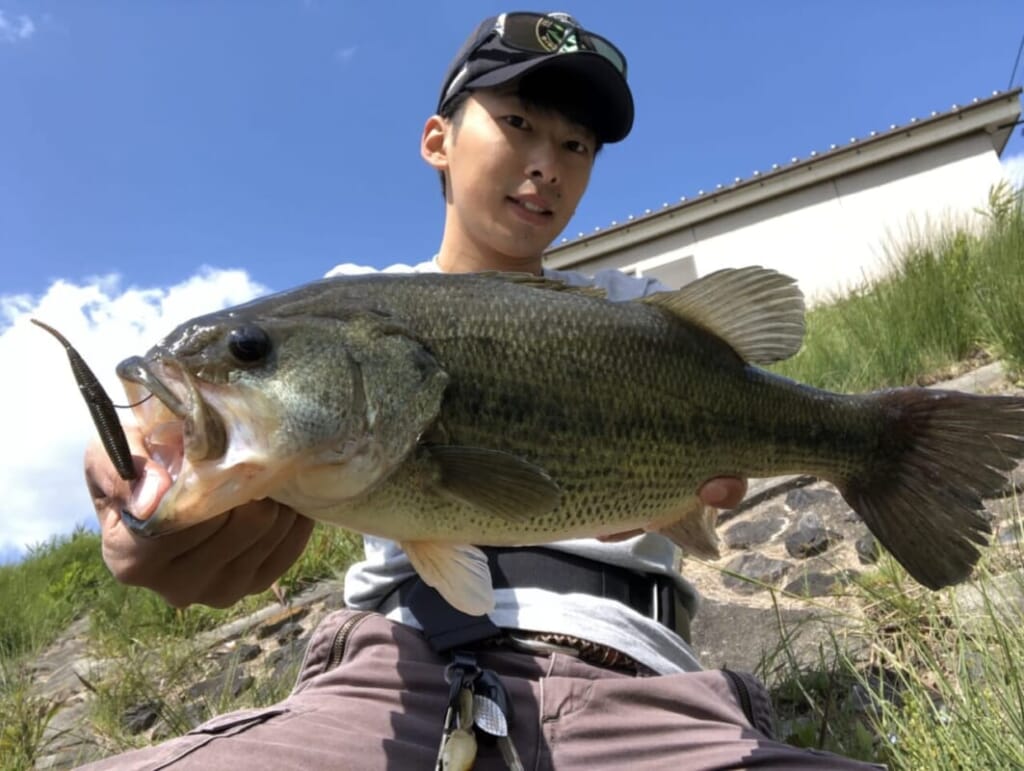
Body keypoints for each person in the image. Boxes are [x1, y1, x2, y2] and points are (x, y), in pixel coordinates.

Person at [80, 11, 884, 770]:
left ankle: (890, 442)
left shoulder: (636, 309)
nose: (547, 163)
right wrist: (138, 478)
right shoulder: (352, 299)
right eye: (519, 124)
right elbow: (194, 455)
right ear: (438, 139)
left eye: (577, 144)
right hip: (386, 678)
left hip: (636, 681)